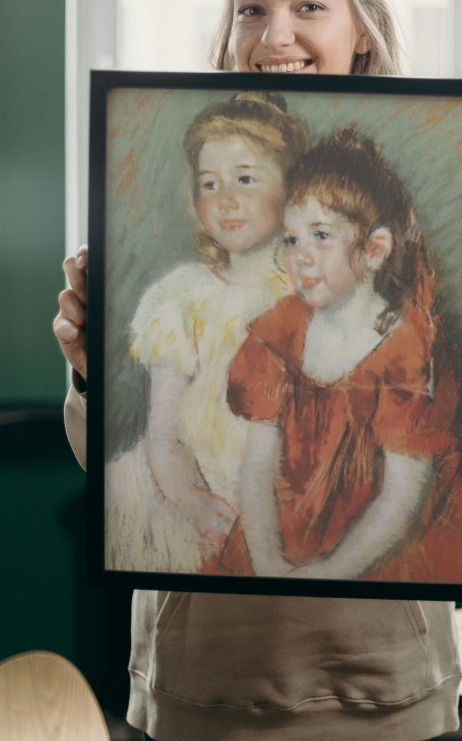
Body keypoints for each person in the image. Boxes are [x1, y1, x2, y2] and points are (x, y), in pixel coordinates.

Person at [54, 0, 462, 741]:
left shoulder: (396, 238)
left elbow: (437, 443)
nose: (273, 31)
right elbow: (126, 461)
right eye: (250, 7)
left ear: (362, 26)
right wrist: (87, 369)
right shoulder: (187, 275)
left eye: (308, 6)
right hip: (209, 653)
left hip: (370, 652)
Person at [220, 125, 462, 586]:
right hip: (284, 539)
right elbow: (258, 464)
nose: (300, 256)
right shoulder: (279, 334)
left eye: (321, 236)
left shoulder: (408, 352)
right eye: (291, 238)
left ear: (374, 249)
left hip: (373, 551)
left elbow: (400, 501)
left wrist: (329, 574)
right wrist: (266, 562)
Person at [104, 90, 309, 574]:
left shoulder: (314, 292)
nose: (226, 201)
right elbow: (164, 438)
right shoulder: (182, 299)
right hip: (187, 494)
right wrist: (197, 506)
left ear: (292, 188)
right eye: (209, 184)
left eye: (245, 179)